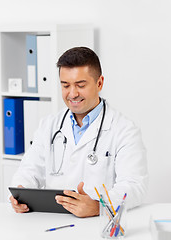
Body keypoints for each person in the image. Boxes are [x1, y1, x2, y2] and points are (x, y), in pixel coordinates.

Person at [10, 47, 148, 217]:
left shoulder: (124, 130)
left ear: (99, 83)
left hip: (98, 224)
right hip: (54, 221)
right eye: (65, 85)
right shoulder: (49, 125)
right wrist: (21, 193)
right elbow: (29, 171)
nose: (72, 93)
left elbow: (134, 185)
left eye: (80, 85)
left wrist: (99, 206)